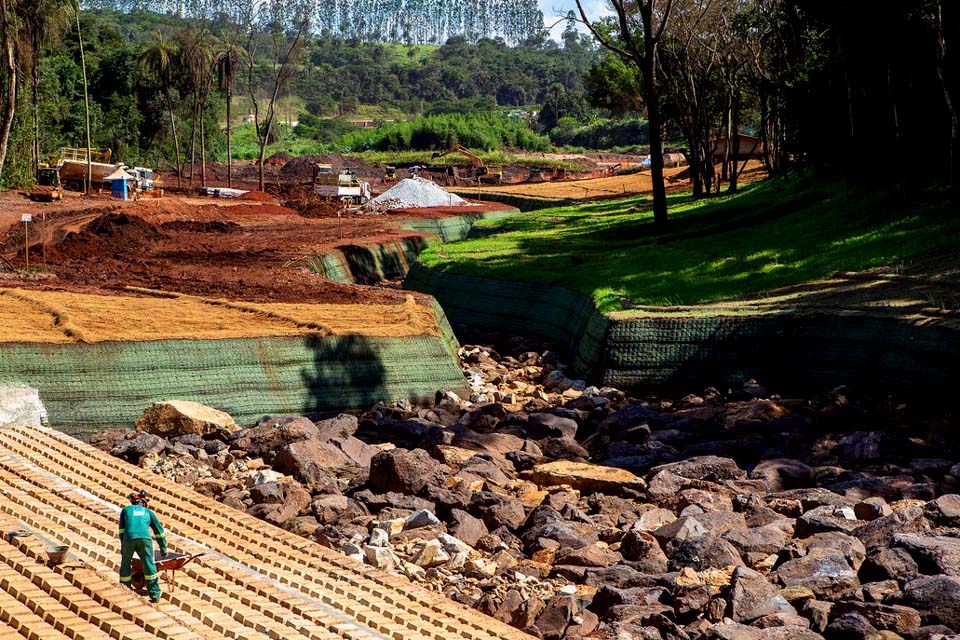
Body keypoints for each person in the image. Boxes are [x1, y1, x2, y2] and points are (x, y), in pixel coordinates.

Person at [118, 489, 167, 603]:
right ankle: (154, 595)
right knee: (149, 564)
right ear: (144, 503)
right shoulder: (148, 512)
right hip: (145, 539)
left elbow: (121, 530)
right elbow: (159, 532)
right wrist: (163, 549)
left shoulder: (126, 510)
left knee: (125, 563)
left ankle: (125, 589)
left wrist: (124, 544)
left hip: (128, 538)